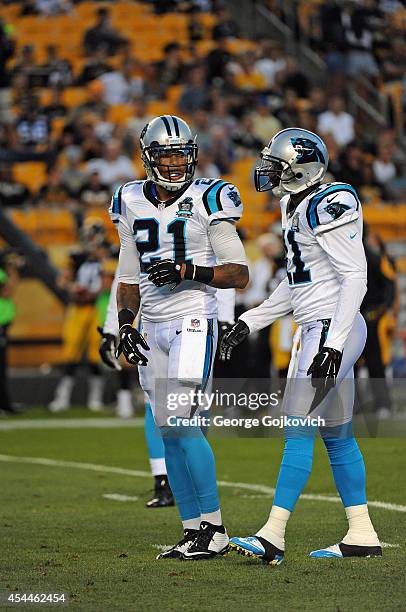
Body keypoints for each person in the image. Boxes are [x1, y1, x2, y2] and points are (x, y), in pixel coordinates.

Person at [221, 128, 382, 563]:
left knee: (297, 428)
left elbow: (355, 277)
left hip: (331, 329)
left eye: (276, 163)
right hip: (321, 325)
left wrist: (332, 342)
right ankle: (362, 533)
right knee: (337, 436)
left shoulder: (332, 201)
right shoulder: (297, 205)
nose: (267, 170)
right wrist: (249, 321)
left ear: (299, 167)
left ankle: (272, 535)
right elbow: (298, 286)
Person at [109, 114, 248, 559]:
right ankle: (192, 529)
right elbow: (128, 277)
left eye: (181, 154)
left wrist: (191, 270)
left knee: (185, 423)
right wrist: (126, 324)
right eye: (165, 155)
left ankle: (216, 527)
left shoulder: (212, 195)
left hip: (192, 316)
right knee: (168, 431)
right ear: (148, 157)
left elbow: (239, 274)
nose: (173, 164)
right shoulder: (129, 198)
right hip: (150, 324)